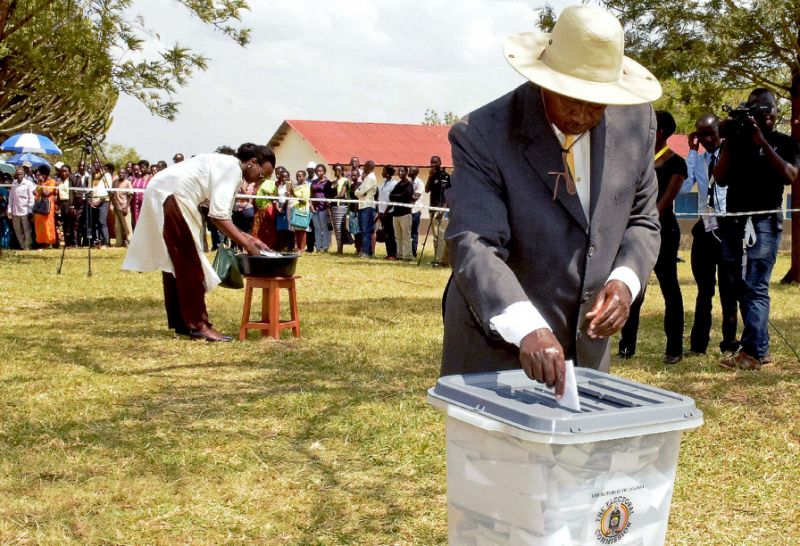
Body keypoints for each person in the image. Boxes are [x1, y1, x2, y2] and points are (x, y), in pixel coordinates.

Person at [440, 5, 662, 394]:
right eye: (570, 97)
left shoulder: (636, 124)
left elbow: (642, 221)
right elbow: (474, 243)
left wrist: (624, 282)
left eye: (596, 103)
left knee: (579, 455)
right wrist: (527, 328)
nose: (580, 114)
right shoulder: (483, 134)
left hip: (587, 353)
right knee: (498, 456)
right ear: (545, 80)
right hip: (495, 346)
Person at [122, 143, 274, 342]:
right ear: (253, 163)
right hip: (173, 197)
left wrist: (249, 238)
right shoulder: (233, 169)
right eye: (262, 175)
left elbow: (220, 214)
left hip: (165, 193)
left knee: (175, 262)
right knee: (189, 262)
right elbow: (218, 217)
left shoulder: (227, 164)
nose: (259, 181)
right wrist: (247, 244)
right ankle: (199, 325)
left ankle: (181, 322)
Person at [715, 88, 799, 370]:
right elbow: (720, 178)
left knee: (756, 286)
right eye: (754, 109)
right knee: (740, 286)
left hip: (764, 221)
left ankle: (751, 352)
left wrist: (761, 141)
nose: (761, 114)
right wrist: (728, 140)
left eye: (765, 108)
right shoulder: (736, 143)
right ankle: (759, 348)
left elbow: (790, 176)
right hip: (735, 221)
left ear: (775, 112)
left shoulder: (785, 143)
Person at [619, 111, 686, 364]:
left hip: (663, 232)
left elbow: (663, 203)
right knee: (635, 289)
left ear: (658, 132)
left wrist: (641, 222)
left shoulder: (675, 163)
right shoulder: (638, 160)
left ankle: (674, 349)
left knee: (670, 288)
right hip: (636, 233)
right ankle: (627, 346)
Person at [681, 113, 739, 356]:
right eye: (701, 135)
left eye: (710, 134)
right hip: (706, 228)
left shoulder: (733, 156)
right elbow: (683, 187)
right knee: (705, 290)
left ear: (720, 132)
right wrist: (692, 152)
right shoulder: (700, 160)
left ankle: (729, 344)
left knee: (729, 291)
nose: (706, 139)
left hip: (729, 228)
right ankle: (698, 344)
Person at [425, 156, 451, 267]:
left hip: (441, 209)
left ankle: (441, 260)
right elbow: (426, 190)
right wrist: (430, 176)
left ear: (440, 162)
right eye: (431, 162)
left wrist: (443, 210)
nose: (432, 164)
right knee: (435, 235)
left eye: (435, 162)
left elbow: (449, 195)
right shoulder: (432, 175)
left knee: (440, 235)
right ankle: (436, 258)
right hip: (432, 208)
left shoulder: (446, 176)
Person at [8, 167, 37, 249]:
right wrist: (9, 209)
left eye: (20, 174)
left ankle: (27, 246)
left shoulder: (28, 184)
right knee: (18, 230)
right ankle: (22, 246)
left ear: (24, 174)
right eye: (17, 174)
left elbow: (31, 198)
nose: (19, 175)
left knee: (27, 230)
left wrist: (30, 211)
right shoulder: (14, 184)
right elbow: (11, 198)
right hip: (15, 211)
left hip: (25, 211)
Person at [391, 166, 415, 261]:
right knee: (398, 236)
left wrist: (398, 196)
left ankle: (408, 256)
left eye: (402, 171)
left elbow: (405, 197)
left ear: (406, 172)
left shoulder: (409, 185)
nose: (400, 173)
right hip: (396, 214)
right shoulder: (398, 185)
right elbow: (391, 196)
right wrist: (398, 196)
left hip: (405, 214)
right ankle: (400, 254)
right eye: (399, 171)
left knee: (406, 236)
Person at [355, 160, 378, 257]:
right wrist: (359, 191)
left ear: (370, 167)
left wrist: (358, 192)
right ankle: (366, 251)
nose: (363, 168)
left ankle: (366, 252)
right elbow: (359, 192)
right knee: (364, 230)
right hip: (363, 205)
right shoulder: (367, 178)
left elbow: (358, 192)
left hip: (367, 206)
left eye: (365, 166)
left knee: (366, 230)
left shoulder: (370, 178)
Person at [310, 163, 333, 253]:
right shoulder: (314, 182)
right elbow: (311, 194)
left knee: (324, 227)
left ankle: (325, 246)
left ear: (324, 171)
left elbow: (329, 195)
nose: (319, 173)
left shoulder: (327, 182)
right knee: (317, 227)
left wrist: (328, 207)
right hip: (314, 207)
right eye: (317, 171)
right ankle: (318, 247)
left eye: (320, 171)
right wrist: (311, 205)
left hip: (323, 206)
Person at [33, 165, 58, 248]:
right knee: (39, 224)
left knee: (47, 224)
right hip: (39, 205)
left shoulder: (52, 182)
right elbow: (35, 191)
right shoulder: (40, 182)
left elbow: (46, 193)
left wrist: (42, 183)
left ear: (44, 175)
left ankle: (48, 242)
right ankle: (41, 241)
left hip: (47, 205)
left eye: (39, 174)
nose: (38, 175)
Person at [377, 165, 397, 260]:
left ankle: (393, 254)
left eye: (383, 171)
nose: (382, 173)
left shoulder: (393, 184)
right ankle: (388, 253)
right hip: (382, 212)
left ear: (388, 173)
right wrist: (379, 212)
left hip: (389, 212)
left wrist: (385, 211)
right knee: (385, 233)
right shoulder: (384, 183)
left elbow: (392, 200)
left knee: (390, 234)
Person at [289, 169, 311, 253]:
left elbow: (304, 200)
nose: (299, 177)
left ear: (305, 177)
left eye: (301, 176)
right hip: (296, 208)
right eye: (297, 176)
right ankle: (298, 247)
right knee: (297, 230)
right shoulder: (296, 186)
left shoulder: (306, 187)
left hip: (303, 210)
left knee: (302, 230)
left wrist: (293, 194)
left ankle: (302, 248)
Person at [90, 163, 112, 248]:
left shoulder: (107, 176)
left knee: (102, 222)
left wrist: (99, 201)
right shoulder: (92, 176)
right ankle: (96, 241)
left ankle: (105, 242)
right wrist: (91, 200)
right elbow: (90, 189)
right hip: (93, 201)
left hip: (103, 201)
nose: (95, 166)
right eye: (94, 164)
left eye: (98, 164)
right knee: (95, 223)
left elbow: (108, 191)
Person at [111, 167, 133, 247]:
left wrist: (126, 207)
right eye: (120, 173)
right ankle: (118, 243)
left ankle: (130, 242)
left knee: (127, 225)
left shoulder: (127, 183)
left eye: (123, 173)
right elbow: (112, 194)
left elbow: (130, 196)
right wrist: (113, 205)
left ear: (125, 174)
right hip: (117, 207)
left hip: (124, 207)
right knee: (117, 226)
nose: (121, 174)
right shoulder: (115, 182)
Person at [409, 167, 425, 257]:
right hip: (407, 211)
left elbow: (415, 197)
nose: (409, 172)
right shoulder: (409, 182)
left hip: (415, 211)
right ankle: (408, 251)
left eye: (411, 170)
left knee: (414, 232)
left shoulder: (419, 183)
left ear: (416, 172)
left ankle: (413, 252)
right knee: (407, 232)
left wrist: (406, 196)